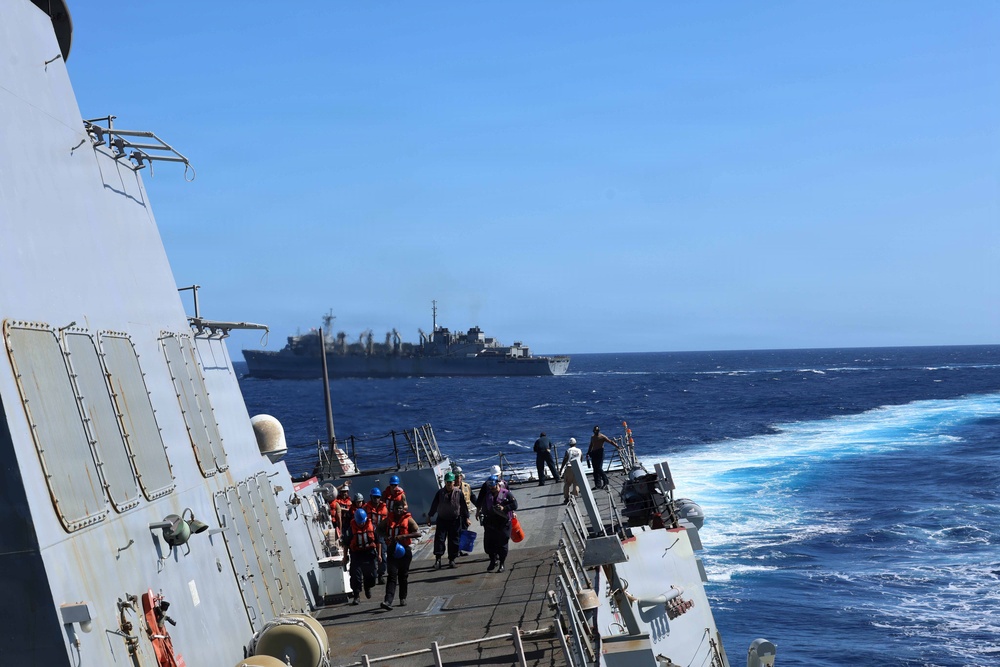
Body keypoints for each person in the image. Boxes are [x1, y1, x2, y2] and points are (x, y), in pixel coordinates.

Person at [378, 500, 420, 610]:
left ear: (403, 509)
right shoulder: (387, 520)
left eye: (400, 508)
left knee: (403, 575)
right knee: (392, 575)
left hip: (404, 551)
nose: (399, 510)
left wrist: (404, 536)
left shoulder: (408, 520)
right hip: (392, 550)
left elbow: (418, 533)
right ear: (393, 509)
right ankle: (388, 601)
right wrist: (385, 536)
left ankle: (402, 597)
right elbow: (378, 530)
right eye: (397, 508)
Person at [427, 471, 470, 569]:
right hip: (442, 520)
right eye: (447, 482)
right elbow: (434, 505)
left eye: (450, 482)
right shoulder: (440, 493)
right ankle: (438, 560)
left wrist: (466, 518)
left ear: (453, 482)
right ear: (445, 482)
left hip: (455, 520)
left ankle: (452, 559)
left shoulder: (459, 493)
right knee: (439, 540)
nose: (449, 484)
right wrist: (429, 516)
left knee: (454, 540)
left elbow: (463, 507)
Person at [480, 475, 518, 573]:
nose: (492, 489)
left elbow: (515, 505)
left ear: (498, 484)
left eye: (494, 487)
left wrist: (504, 508)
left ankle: (502, 563)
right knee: (488, 544)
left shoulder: (506, 494)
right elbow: (483, 506)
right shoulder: (487, 495)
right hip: (490, 523)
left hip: (503, 522)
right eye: (490, 487)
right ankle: (493, 560)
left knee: (502, 544)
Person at [347, 508, 380, 605]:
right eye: (359, 522)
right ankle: (356, 595)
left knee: (372, 576)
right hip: (356, 554)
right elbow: (346, 543)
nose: (361, 524)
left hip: (369, 553)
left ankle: (368, 586)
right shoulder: (351, 529)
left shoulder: (372, 527)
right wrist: (345, 557)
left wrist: (379, 554)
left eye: (363, 522)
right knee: (355, 576)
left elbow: (378, 542)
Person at [364, 487, 389, 584]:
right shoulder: (366, 508)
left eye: (378, 497)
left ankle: (381, 574)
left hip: (381, 533)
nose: (376, 499)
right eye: (374, 497)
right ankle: (371, 574)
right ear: (371, 497)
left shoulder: (384, 508)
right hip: (369, 533)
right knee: (370, 555)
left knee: (382, 554)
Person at [559, 437, 584, 502]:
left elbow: (565, 459)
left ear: (569, 444)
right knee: (576, 483)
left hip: (569, 468)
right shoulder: (579, 450)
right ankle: (575, 496)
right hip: (577, 468)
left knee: (567, 483)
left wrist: (561, 469)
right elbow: (581, 459)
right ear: (575, 443)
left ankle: (566, 498)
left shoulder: (568, 450)